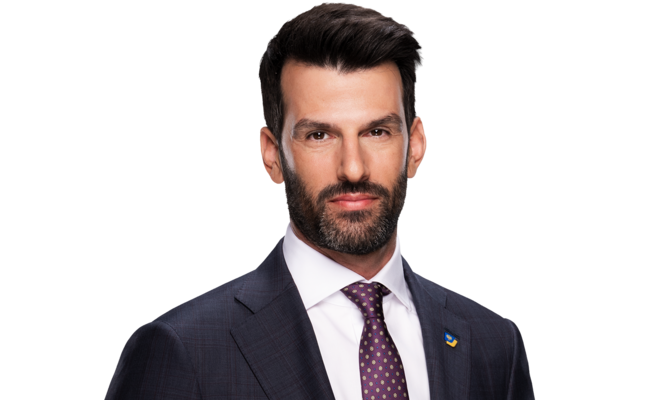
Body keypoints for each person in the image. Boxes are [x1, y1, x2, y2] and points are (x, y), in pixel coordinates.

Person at [103, 3, 535, 399]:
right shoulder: (183, 350)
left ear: (416, 146)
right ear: (272, 155)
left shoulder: (494, 343)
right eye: (319, 135)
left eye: (377, 132)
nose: (353, 168)